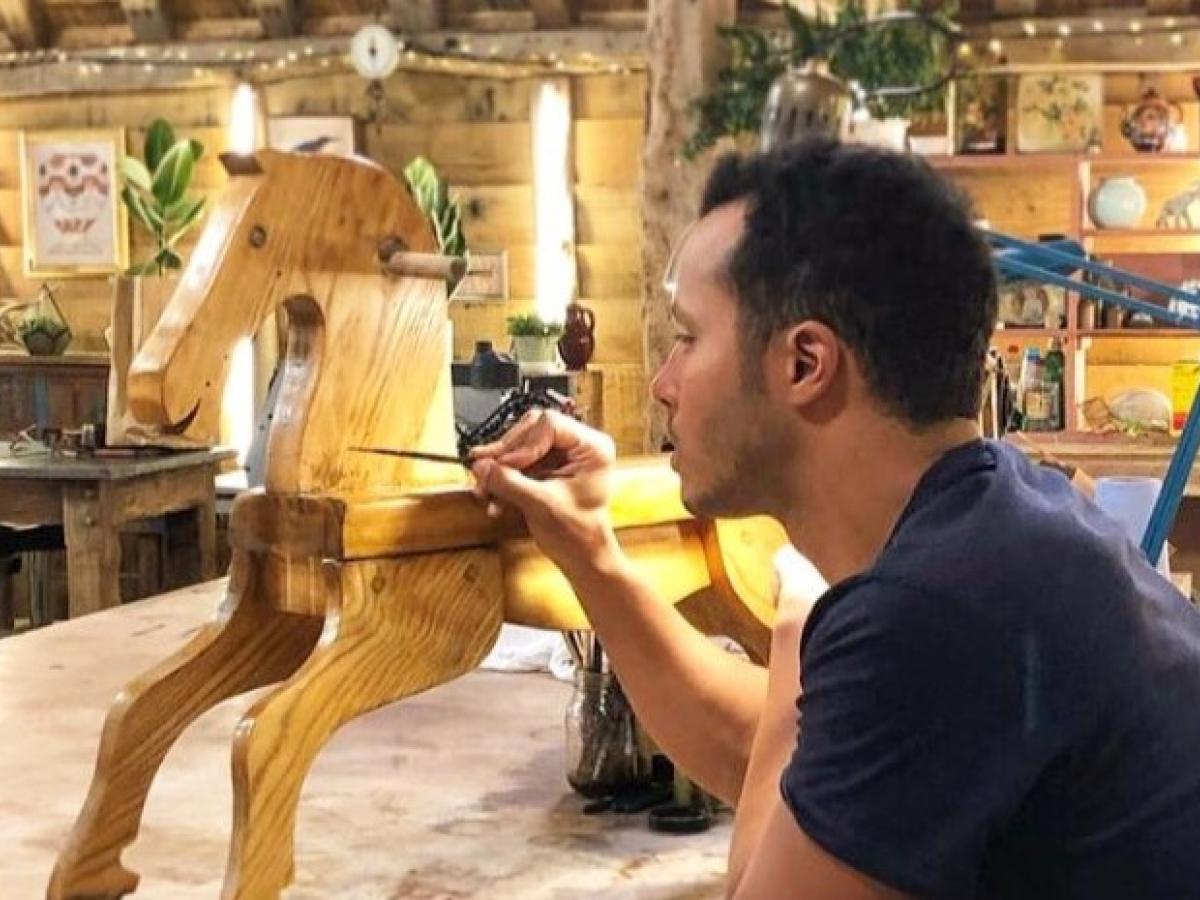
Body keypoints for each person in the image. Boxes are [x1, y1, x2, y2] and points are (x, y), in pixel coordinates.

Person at [470, 138, 1200, 898]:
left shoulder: (938, 608)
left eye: (688, 336)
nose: (663, 381)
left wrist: (797, 625)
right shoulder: (1004, 523)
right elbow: (770, 758)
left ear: (805, 364)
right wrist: (589, 551)